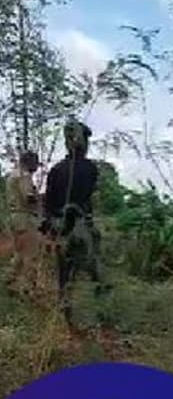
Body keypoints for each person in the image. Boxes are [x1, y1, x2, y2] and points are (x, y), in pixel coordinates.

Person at [44, 120, 107, 302]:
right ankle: (101, 309)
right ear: (83, 143)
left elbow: (48, 204)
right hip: (83, 226)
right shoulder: (91, 169)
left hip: (62, 229)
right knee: (95, 269)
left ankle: (66, 313)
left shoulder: (56, 170)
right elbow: (93, 197)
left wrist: (51, 231)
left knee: (65, 275)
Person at [5, 151, 43, 294]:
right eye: (36, 164)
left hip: (14, 217)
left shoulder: (12, 175)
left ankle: (10, 281)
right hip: (25, 218)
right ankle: (28, 289)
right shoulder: (24, 176)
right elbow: (29, 199)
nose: (37, 168)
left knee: (19, 253)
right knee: (30, 255)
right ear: (30, 162)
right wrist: (40, 201)